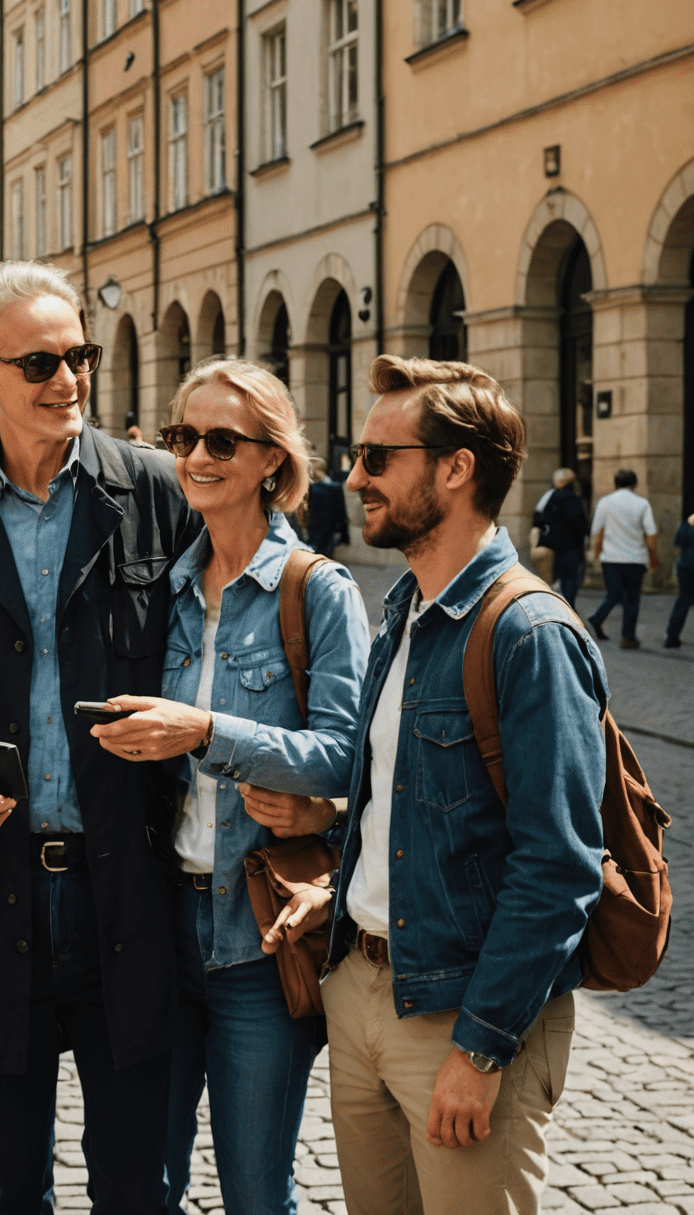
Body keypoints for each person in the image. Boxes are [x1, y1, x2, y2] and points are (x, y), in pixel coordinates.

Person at [0, 261, 200, 1215]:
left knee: (139, 1187)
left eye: (79, 357)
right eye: (40, 363)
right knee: (11, 1187)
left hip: (130, 887)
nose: (67, 380)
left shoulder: (153, 490)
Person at [268, 355, 607, 1215]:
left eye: (379, 458)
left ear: (456, 470)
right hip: (364, 993)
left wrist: (483, 1049)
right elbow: (398, 796)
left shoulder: (530, 633)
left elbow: (559, 866)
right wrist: (343, 894)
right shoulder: (405, 609)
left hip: (459, 1017)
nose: (354, 477)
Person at [87, 360, 368, 1215]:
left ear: (271, 462)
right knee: (144, 1183)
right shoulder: (164, 592)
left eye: (220, 440)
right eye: (182, 438)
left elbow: (348, 754)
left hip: (260, 938)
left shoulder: (317, 590)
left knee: (254, 1190)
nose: (195, 457)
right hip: (160, 929)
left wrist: (210, 733)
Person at [588, 468, 659, 649]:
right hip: (635, 558)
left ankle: (597, 618)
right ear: (635, 484)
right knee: (633, 599)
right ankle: (628, 637)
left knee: (613, 594)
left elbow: (596, 529)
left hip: (611, 558)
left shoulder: (605, 502)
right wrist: (653, 559)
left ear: (615, 483)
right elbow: (651, 533)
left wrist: (596, 552)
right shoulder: (642, 503)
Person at [532, 467, 590, 611]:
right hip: (571, 547)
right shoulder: (573, 499)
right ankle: (568, 609)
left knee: (552, 580)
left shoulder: (548, 497)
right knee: (569, 580)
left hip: (551, 545)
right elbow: (578, 523)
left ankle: (554, 609)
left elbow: (537, 520)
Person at [306, 457, 350, 559]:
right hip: (329, 531)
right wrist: (344, 533)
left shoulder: (313, 488)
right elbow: (341, 512)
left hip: (316, 531)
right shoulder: (334, 487)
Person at [666, 512, 694, 647]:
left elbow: (678, 541)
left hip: (685, 564)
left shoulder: (687, 522)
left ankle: (672, 637)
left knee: (684, 599)